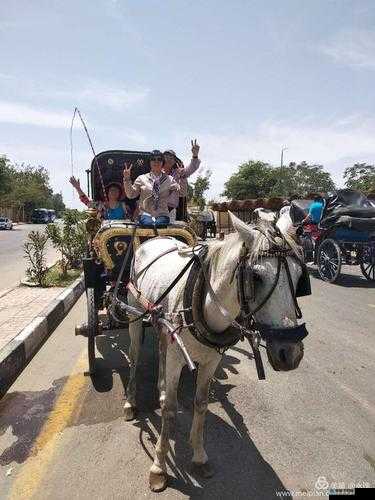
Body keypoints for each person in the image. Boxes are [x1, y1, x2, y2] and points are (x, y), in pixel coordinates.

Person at [123, 150, 180, 227]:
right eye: (153, 159)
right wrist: (127, 179)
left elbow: (182, 193)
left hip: (162, 214)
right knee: (149, 224)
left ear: (162, 162)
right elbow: (130, 195)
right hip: (145, 214)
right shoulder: (142, 178)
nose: (156, 161)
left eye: (159, 159)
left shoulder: (170, 179)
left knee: (159, 224)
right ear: (149, 162)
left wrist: (182, 177)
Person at [163, 140, 201, 221]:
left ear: (174, 161)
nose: (169, 160)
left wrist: (195, 155)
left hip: (171, 209)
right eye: (166, 157)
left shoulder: (178, 173)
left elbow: (192, 167)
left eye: (171, 158)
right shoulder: (156, 172)